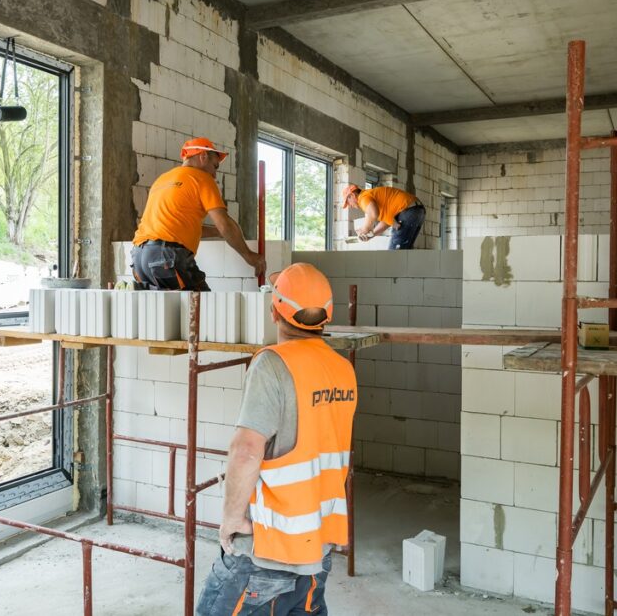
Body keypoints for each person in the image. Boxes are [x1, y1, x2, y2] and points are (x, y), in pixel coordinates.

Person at [197, 263, 358, 616]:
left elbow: (246, 450)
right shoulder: (343, 369)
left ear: (274, 311)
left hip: (268, 548)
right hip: (317, 545)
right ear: (327, 316)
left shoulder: (272, 364)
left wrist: (232, 518)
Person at [131, 137, 265, 290]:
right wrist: (250, 255)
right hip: (166, 257)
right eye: (215, 166)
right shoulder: (201, 178)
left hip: (139, 258)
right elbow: (224, 223)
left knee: (167, 311)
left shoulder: (162, 179)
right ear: (203, 156)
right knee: (203, 308)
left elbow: (176, 227)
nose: (214, 175)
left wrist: (217, 233)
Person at [342, 183, 425, 250]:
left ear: (352, 195)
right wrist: (371, 235)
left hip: (408, 211)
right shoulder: (372, 197)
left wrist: (365, 229)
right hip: (416, 210)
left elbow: (373, 214)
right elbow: (385, 222)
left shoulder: (363, 198)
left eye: (348, 202)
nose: (350, 206)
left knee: (395, 255)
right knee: (405, 252)